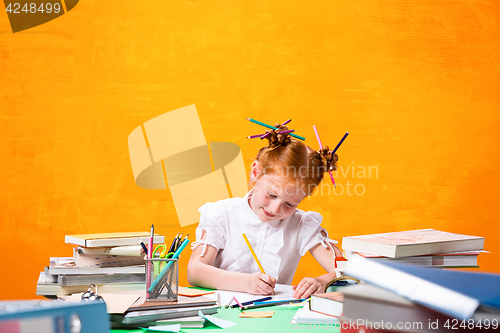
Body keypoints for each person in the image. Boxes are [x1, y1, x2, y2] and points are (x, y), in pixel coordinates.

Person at [186, 122, 344, 299]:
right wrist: (245, 283)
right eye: (271, 194)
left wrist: (324, 281)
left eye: (290, 204)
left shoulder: (301, 224)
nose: (276, 208)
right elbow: (195, 271)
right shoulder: (221, 215)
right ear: (255, 172)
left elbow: (348, 271)